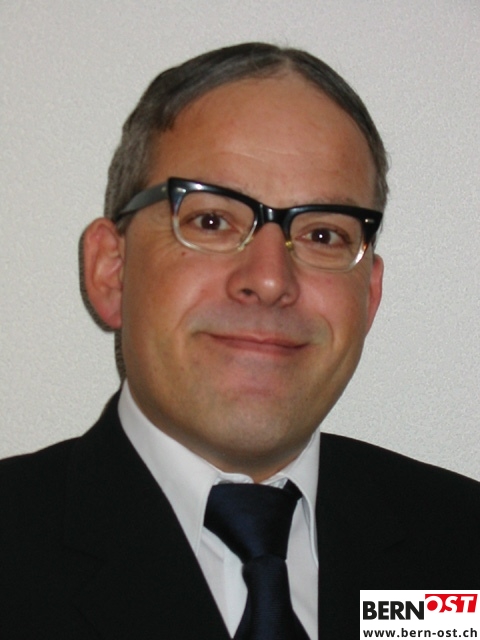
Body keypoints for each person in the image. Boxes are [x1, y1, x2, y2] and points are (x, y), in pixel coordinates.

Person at [1, 42, 479, 640]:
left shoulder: (464, 546)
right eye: (211, 221)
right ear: (111, 271)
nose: (271, 279)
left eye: (323, 235)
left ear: (369, 296)